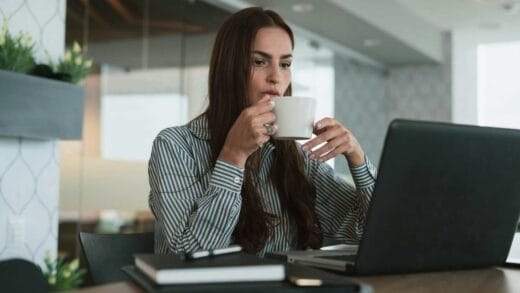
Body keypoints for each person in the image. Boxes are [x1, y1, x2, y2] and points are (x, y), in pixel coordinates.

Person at [148, 7, 377, 256]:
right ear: (229, 69)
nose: (276, 77)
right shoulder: (175, 146)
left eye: (285, 63)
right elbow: (188, 255)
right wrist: (233, 156)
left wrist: (357, 158)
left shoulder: (298, 158)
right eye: (259, 62)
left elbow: (366, 232)